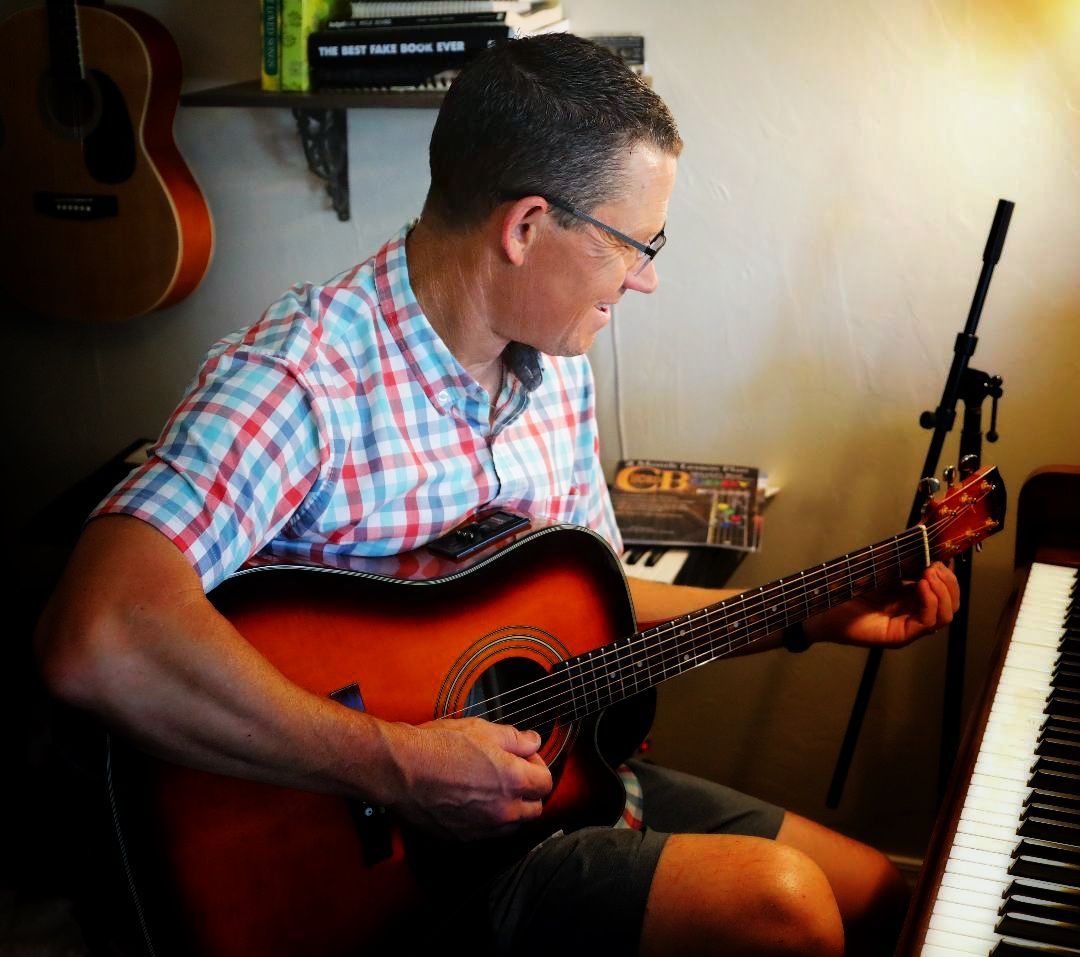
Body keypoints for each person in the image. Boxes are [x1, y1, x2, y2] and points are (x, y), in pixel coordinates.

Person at [35, 33, 960, 957]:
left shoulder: (557, 364)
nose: (646, 277)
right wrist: (401, 764)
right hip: (384, 872)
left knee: (883, 897)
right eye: (635, 244)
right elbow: (98, 634)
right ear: (525, 228)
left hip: (549, 794)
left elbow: (593, 605)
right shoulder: (300, 381)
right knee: (785, 908)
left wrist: (803, 615)